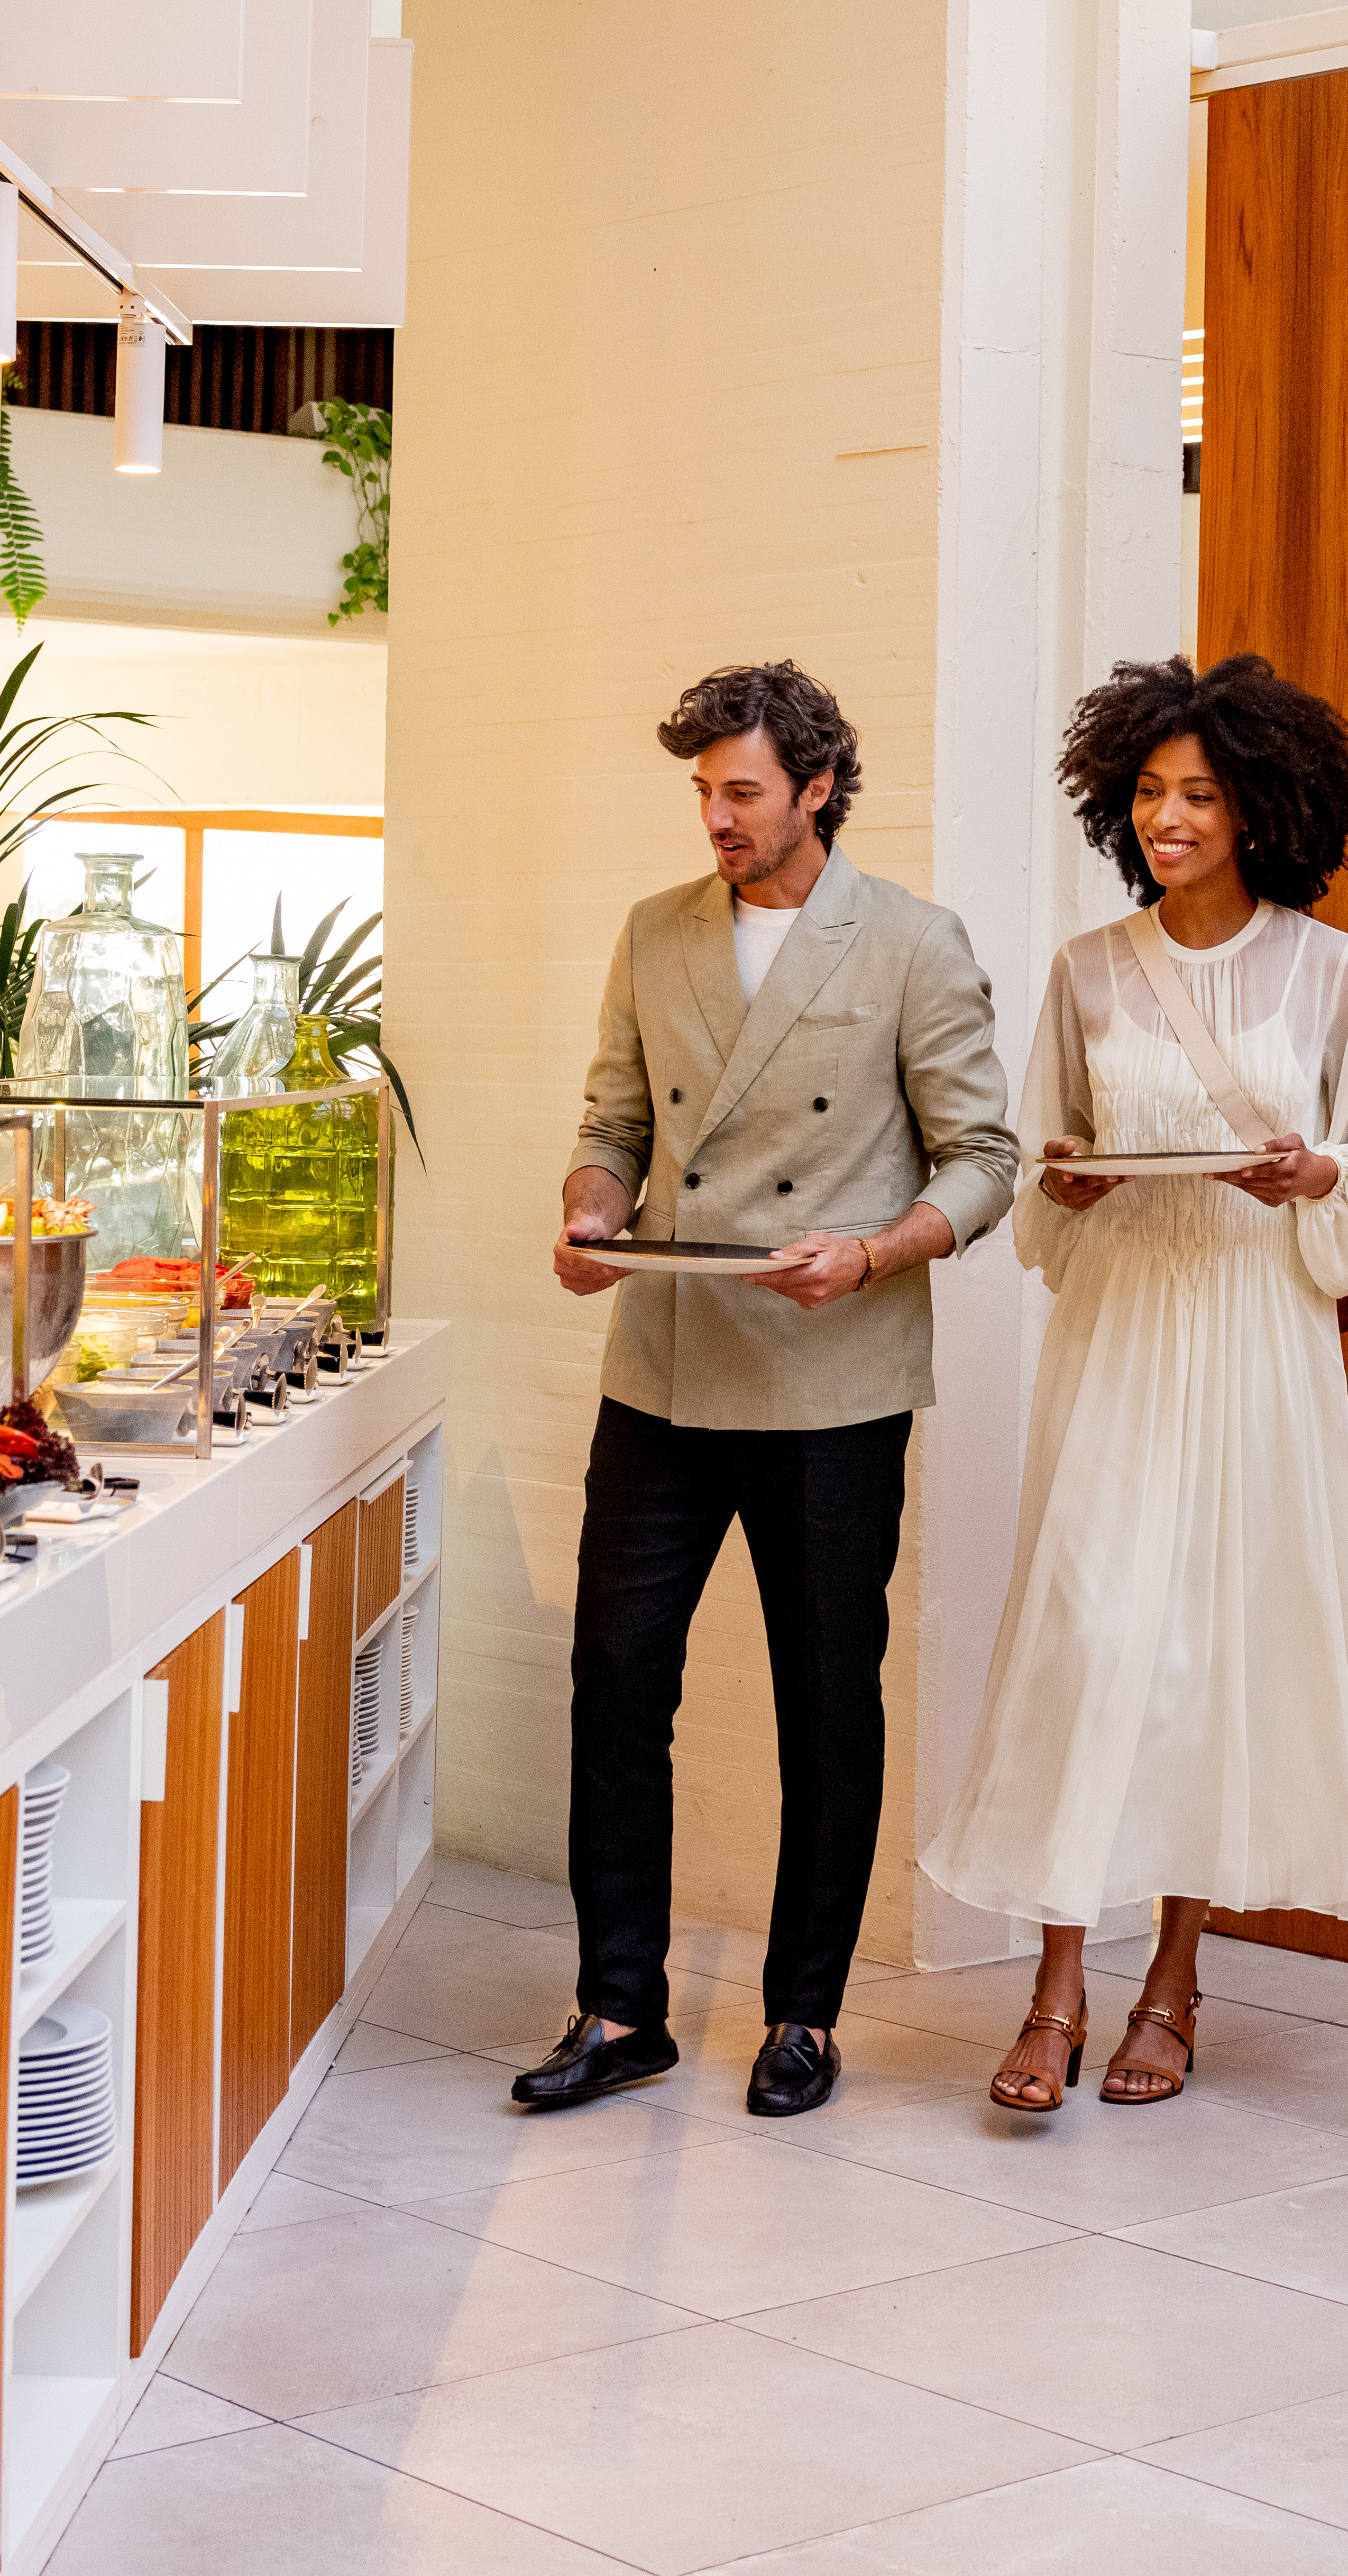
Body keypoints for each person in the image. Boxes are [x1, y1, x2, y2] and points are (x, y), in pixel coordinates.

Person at [515, 661, 1020, 2121]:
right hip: (665, 1365)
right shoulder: (654, 930)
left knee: (825, 1705)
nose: (717, 819)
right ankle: (621, 2008)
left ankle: (804, 2015)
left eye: (742, 792)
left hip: (833, 1381)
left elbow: (985, 1163)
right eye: (704, 793)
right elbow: (612, 1123)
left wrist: (870, 1254)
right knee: (617, 1683)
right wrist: (594, 1215)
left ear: (817, 789)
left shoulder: (912, 941)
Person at [920, 652, 1348, 2112]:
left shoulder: (1331, 971)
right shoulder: (1088, 971)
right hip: (1122, 1337)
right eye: (1147, 792)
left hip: (1262, 1343)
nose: (1168, 818)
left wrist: (1315, 1175)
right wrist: (1066, 1189)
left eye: (1198, 794)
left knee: (1213, 1650)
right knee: (1086, 1640)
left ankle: (1172, 1985)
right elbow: (1041, 1172)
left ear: (1257, 806)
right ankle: (1055, 1989)